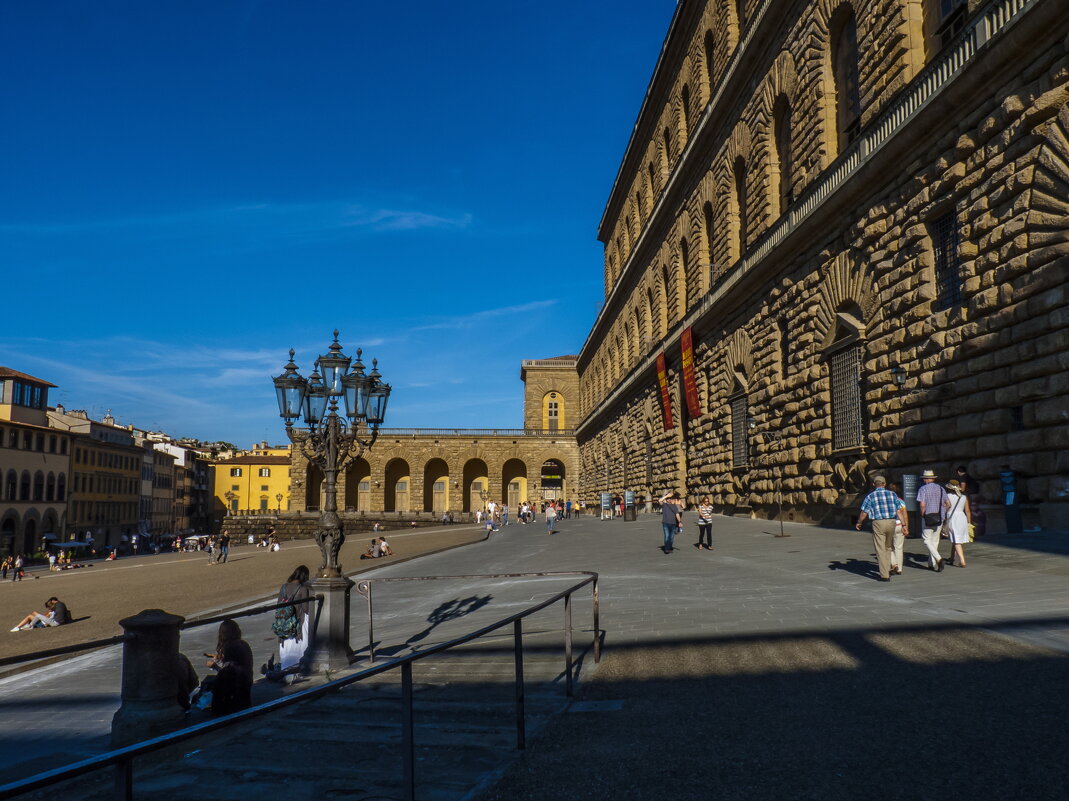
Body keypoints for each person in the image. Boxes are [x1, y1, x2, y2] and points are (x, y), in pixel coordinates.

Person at [856, 476, 908, 581]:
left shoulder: (870, 496)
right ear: (884, 484)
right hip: (892, 522)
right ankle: (888, 568)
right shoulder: (893, 494)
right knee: (888, 547)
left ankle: (885, 575)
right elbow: (899, 511)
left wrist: (859, 522)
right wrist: (904, 525)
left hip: (878, 523)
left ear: (874, 484)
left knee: (880, 548)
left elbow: (864, 512)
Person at [205, 618, 254, 714]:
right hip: (246, 689)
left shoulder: (229, 647)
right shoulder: (243, 644)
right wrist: (218, 657)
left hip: (236, 695)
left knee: (210, 682)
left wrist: (214, 666)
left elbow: (228, 674)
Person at [277, 565, 312, 673]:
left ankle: (285, 670)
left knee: (286, 649)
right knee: (299, 649)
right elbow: (306, 608)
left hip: (285, 623)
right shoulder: (303, 588)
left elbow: (278, 605)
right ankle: (298, 669)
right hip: (298, 623)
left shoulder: (284, 587)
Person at [917, 469, 951, 571]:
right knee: (935, 540)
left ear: (926, 479)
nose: (924, 480)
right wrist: (943, 512)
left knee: (926, 540)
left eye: (924, 479)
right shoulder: (941, 488)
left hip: (928, 517)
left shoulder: (923, 489)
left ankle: (939, 559)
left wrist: (922, 515)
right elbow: (948, 504)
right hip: (939, 517)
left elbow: (922, 505)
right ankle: (931, 563)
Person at [945, 480, 972, 567]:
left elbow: (945, 507)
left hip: (952, 517)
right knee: (956, 538)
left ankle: (962, 560)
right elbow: (967, 510)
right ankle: (952, 558)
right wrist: (969, 522)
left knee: (956, 540)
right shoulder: (963, 497)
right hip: (962, 517)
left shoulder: (947, 496)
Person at [888, 482, 909, 575]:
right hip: (900, 525)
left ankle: (894, 563)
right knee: (899, 547)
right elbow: (905, 515)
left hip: (890, 525)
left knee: (888, 546)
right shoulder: (901, 501)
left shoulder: (887, 501)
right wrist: (906, 527)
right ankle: (899, 569)